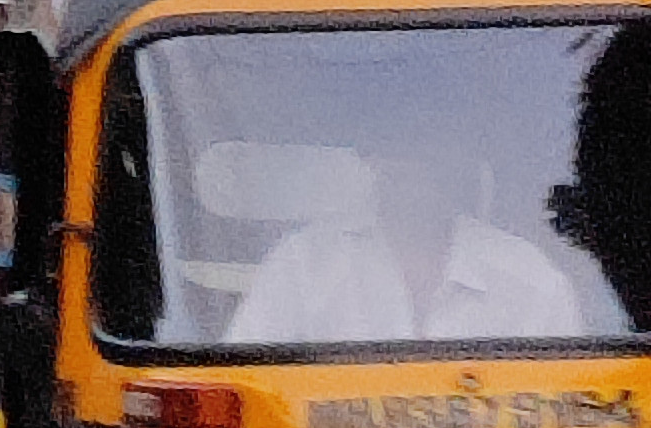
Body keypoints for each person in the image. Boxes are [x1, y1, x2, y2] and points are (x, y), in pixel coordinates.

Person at [229, 144, 587, 348]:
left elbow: (578, 409)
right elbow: (243, 378)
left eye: (424, 143)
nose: (410, 163)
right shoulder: (302, 264)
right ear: (369, 155)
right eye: (394, 143)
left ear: (456, 155)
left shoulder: (530, 277)